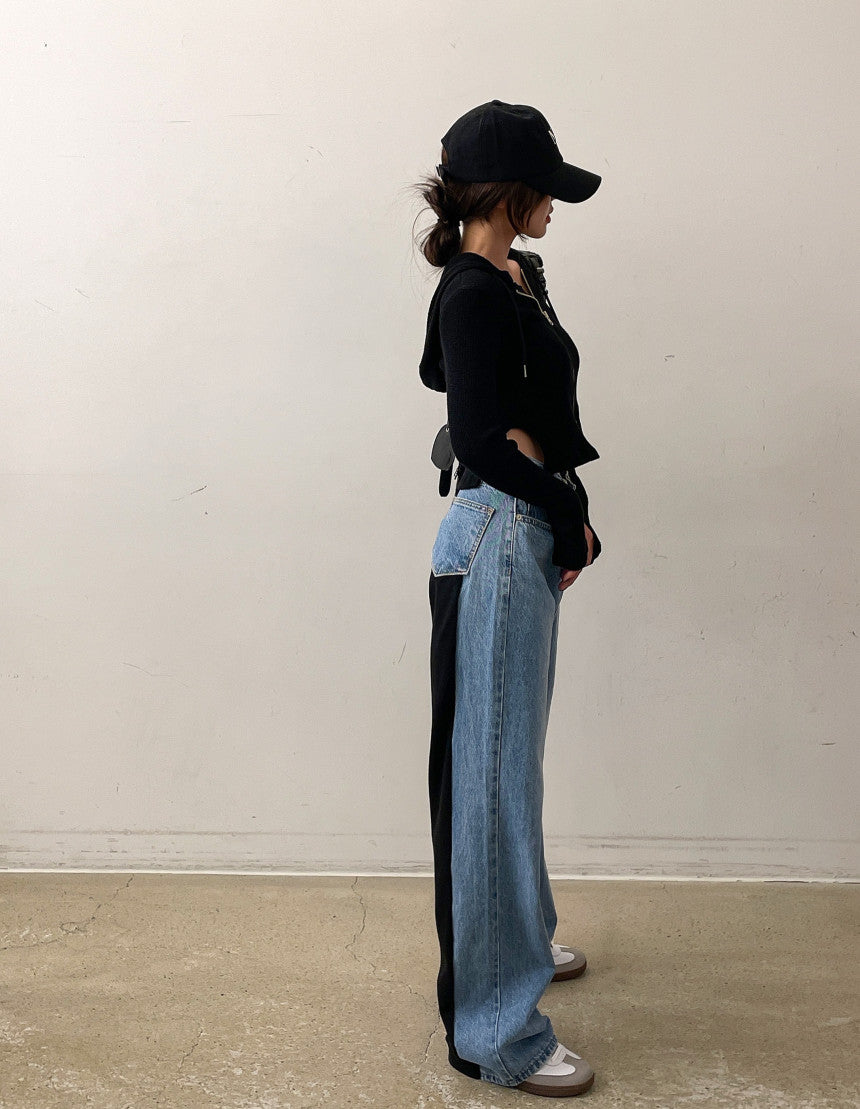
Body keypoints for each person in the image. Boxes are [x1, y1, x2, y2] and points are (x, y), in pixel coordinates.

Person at [414, 101, 604, 1098]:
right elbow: (479, 430)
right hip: (497, 532)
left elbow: (487, 395)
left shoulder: (511, 276)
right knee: (488, 779)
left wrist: (561, 496)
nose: (554, 208)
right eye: (546, 191)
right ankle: (496, 1031)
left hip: (516, 528)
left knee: (510, 763)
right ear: (509, 192)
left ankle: (520, 934)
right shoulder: (470, 289)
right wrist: (560, 504)